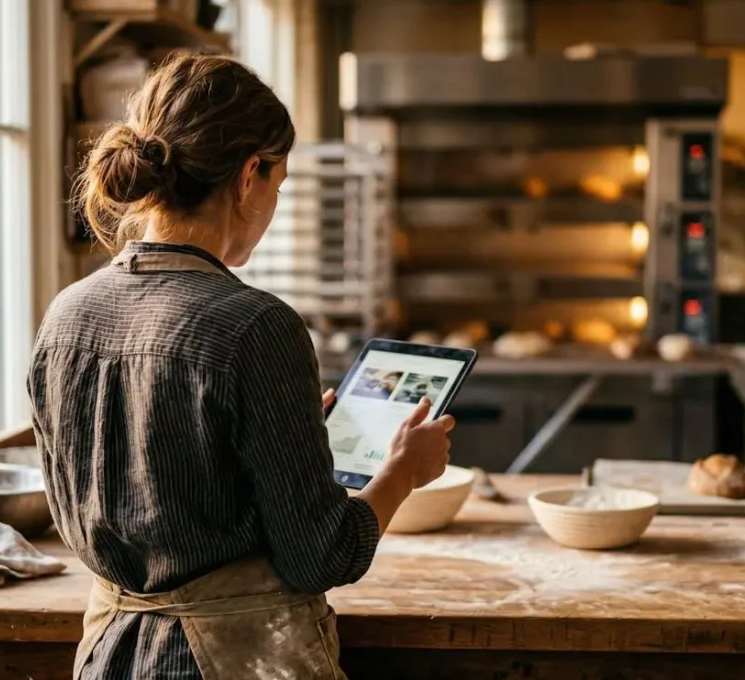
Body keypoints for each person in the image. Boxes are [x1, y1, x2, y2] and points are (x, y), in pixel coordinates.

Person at [27, 53, 455, 680]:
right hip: (231, 663)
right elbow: (323, 557)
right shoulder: (257, 325)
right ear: (249, 174)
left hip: (108, 656)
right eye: (277, 187)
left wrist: (287, 433)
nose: (273, 205)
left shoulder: (64, 316)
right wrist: (402, 471)